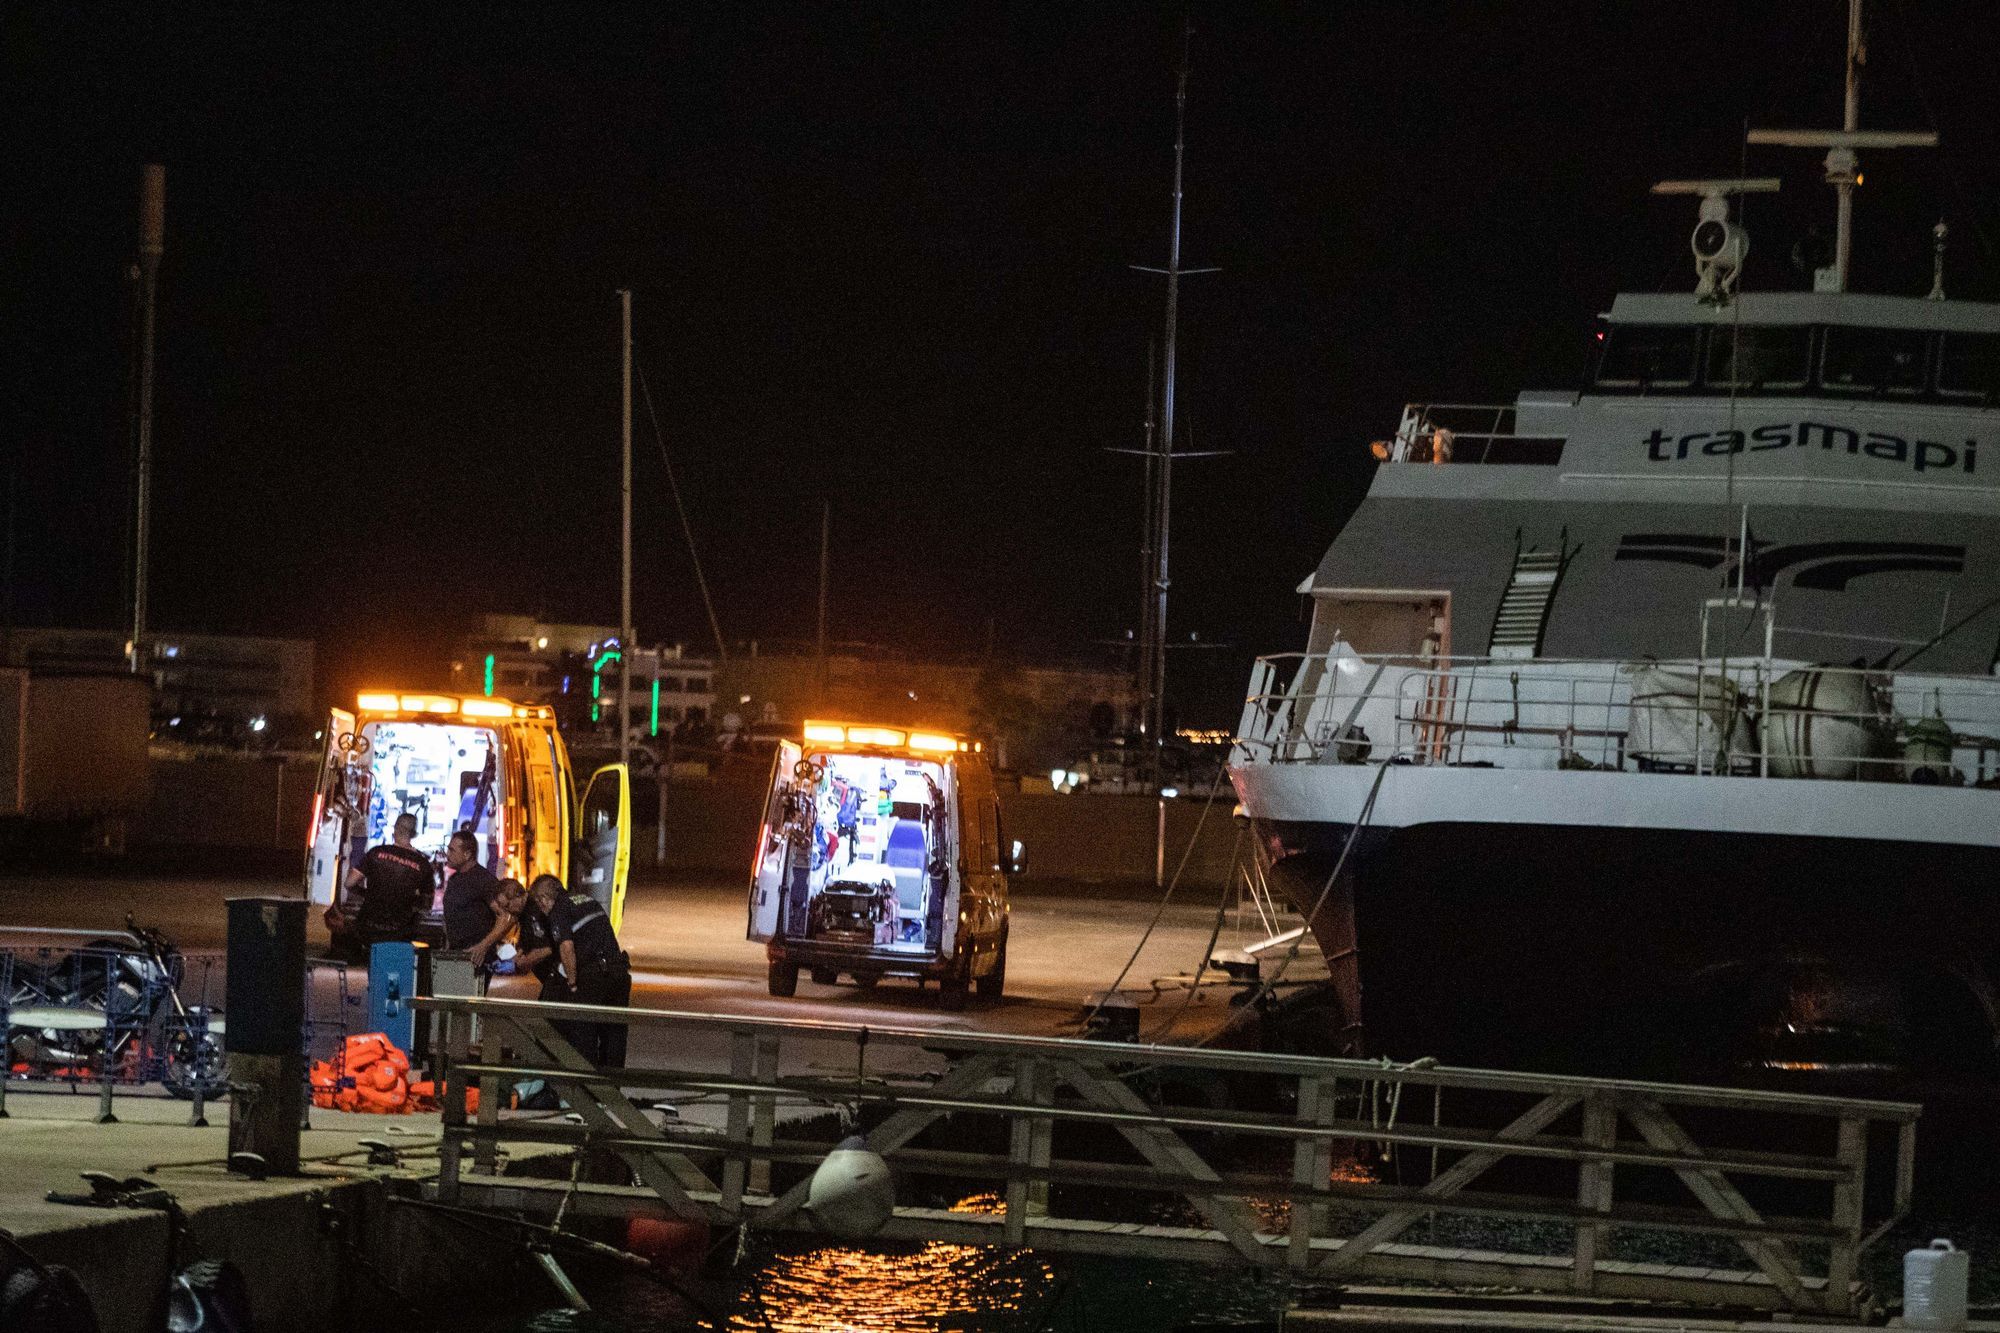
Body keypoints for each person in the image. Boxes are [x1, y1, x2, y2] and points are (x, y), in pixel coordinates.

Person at [544, 881, 630, 1068]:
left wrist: (573, 983)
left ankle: (588, 1091)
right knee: (614, 1035)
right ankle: (611, 1090)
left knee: (584, 1032)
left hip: (594, 976)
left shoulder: (559, 909)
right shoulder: (589, 900)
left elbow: (567, 947)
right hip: (618, 972)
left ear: (544, 899)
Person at [331, 813, 435, 961]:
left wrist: (367, 894)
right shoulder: (423, 865)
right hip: (400, 933)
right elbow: (427, 905)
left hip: (368, 928)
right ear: (414, 834)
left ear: (395, 830)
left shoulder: (375, 853)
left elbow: (349, 883)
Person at [441, 829, 511, 970]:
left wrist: (482, 947)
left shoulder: (483, 880)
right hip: (455, 956)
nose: (447, 854)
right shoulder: (454, 879)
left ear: (467, 854)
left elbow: (504, 917)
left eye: (452, 850)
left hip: (476, 960)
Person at [516, 875, 570, 1002]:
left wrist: (526, 962)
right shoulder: (527, 914)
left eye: (541, 899)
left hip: (564, 974)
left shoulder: (551, 912)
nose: (540, 904)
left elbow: (549, 948)